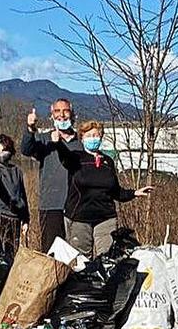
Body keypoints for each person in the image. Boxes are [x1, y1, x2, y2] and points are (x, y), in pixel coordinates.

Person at [55, 120, 153, 258]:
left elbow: (115, 191)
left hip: (105, 217)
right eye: (89, 136)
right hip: (79, 217)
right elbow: (64, 155)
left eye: (96, 135)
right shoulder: (76, 158)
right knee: (80, 260)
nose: (93, 138)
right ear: (82, 138)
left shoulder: (108, 161)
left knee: (107, 257)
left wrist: (134, 193)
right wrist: (58, 143)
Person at [21, 100, 83, 252]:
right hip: (51, 205)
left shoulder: (81, 142)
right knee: (52, 254)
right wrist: (30, 128)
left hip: (77, 205)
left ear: (72, 114)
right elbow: (26, 149)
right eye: (57, 111)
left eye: (66, 111)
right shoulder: (45, 140)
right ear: (52, 115)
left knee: (78, 254)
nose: (61, 115)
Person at [0, 133, 30, 257]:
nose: (1, 153)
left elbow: (22, 195)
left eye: (4, 150)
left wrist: (25, 219)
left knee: (12, 254)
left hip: (15, 218)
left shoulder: (16, 171)